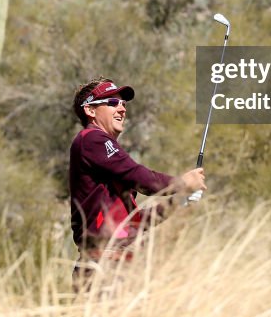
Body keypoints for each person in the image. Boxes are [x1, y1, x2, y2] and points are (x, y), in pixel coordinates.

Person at [68, 76, 206, 291]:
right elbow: (142, 179)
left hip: (123, 266)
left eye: (123, 103)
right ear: (90, 111)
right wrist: (182, 182)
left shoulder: (106, 164)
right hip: (104, 266)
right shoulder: (91, 139)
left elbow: (138, 222)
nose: (122, 108)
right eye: (112, 103)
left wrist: (177, 202)